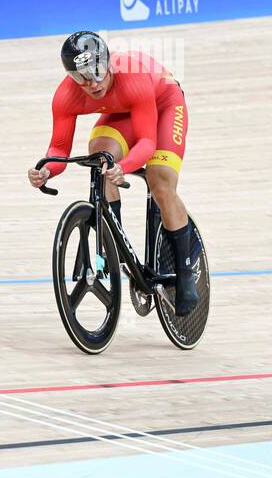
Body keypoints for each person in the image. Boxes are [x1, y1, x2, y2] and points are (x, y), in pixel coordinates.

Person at [28, 32, 200, 315]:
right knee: (100, 155)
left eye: (96, 71)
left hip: (163, 104)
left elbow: (147, 142)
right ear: (71, 77)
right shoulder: (65, 96)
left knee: (160, 181)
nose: (92, 83)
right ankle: (113, 239)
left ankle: (184, 272)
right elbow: (58, 148)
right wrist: (46, 170)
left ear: (108, 62)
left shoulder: (132, 77)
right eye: (81, 77)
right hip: (123, 111)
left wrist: (126, 166)